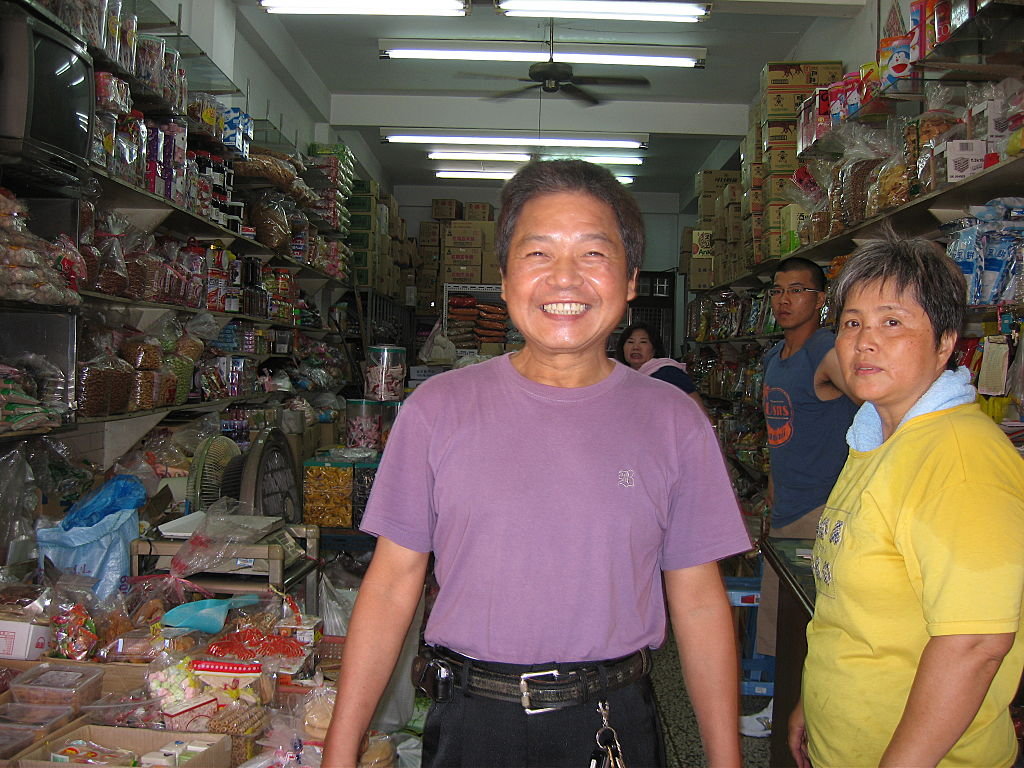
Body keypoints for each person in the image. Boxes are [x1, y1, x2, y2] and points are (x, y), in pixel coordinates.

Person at [323, 160, 751, 768]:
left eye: (594, 254)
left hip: (613, 722)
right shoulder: (437, 409)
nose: (565, 278)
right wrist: (340, 752)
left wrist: (727, 760)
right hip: (474, 722)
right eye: (538, 253)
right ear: (504, 278)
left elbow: (701, 601)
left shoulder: (673, 419)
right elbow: (392, 585)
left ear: (631, 279)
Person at [788, 234, 1024, 767]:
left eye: (891, 322)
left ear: (945, 342)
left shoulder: (960, 461)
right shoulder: (876, 438)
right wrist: (814, 702)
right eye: (852, 323)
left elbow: (974, 645)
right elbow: (854, 614)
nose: (864, 342)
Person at [743, 257, 859, 738]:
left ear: (820, 299)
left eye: (797, 290)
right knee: (782, 616)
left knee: (812, 620)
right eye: (777, 290)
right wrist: (773, 489)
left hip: (822, 505)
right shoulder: (776, 357)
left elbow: (877, 402)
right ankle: (786, 704)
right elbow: (779, 432)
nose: (784, 299)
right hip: (788, 503)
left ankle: (801, 712)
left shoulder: (826, 351)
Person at [615, 321, 704, 407]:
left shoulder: (668, 373)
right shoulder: (620, 376)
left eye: (643, 342)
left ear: (654, 349)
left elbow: (698, 409)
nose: (635, 347)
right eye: (630, 342)